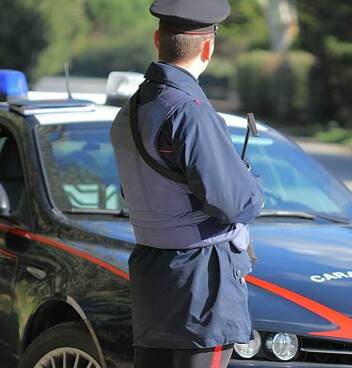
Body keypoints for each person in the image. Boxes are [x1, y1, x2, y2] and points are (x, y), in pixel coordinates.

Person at [110, 0, 264, 367]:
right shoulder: (189, 111)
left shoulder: (130, 110)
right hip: (201, 281)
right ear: (208, 47)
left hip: (154, 274)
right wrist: (252, 185)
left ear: (156, 39)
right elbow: (235, 203)